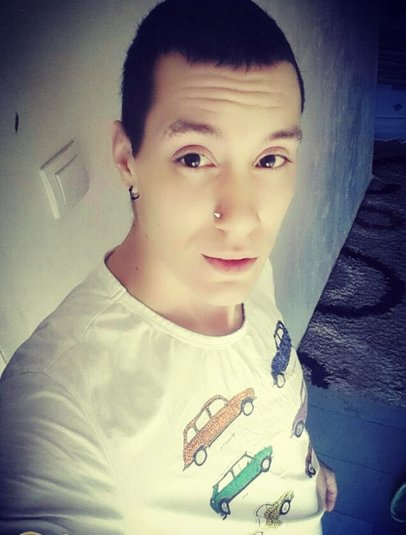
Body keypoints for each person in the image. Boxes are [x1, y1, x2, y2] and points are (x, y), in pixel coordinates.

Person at [0, 0, 337, 533]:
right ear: (126, 159)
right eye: (194, 158)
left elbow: (266, 400)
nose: (242, 219)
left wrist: (304, 471)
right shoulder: (54, 403)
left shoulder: (247, 274)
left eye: (269, 159)